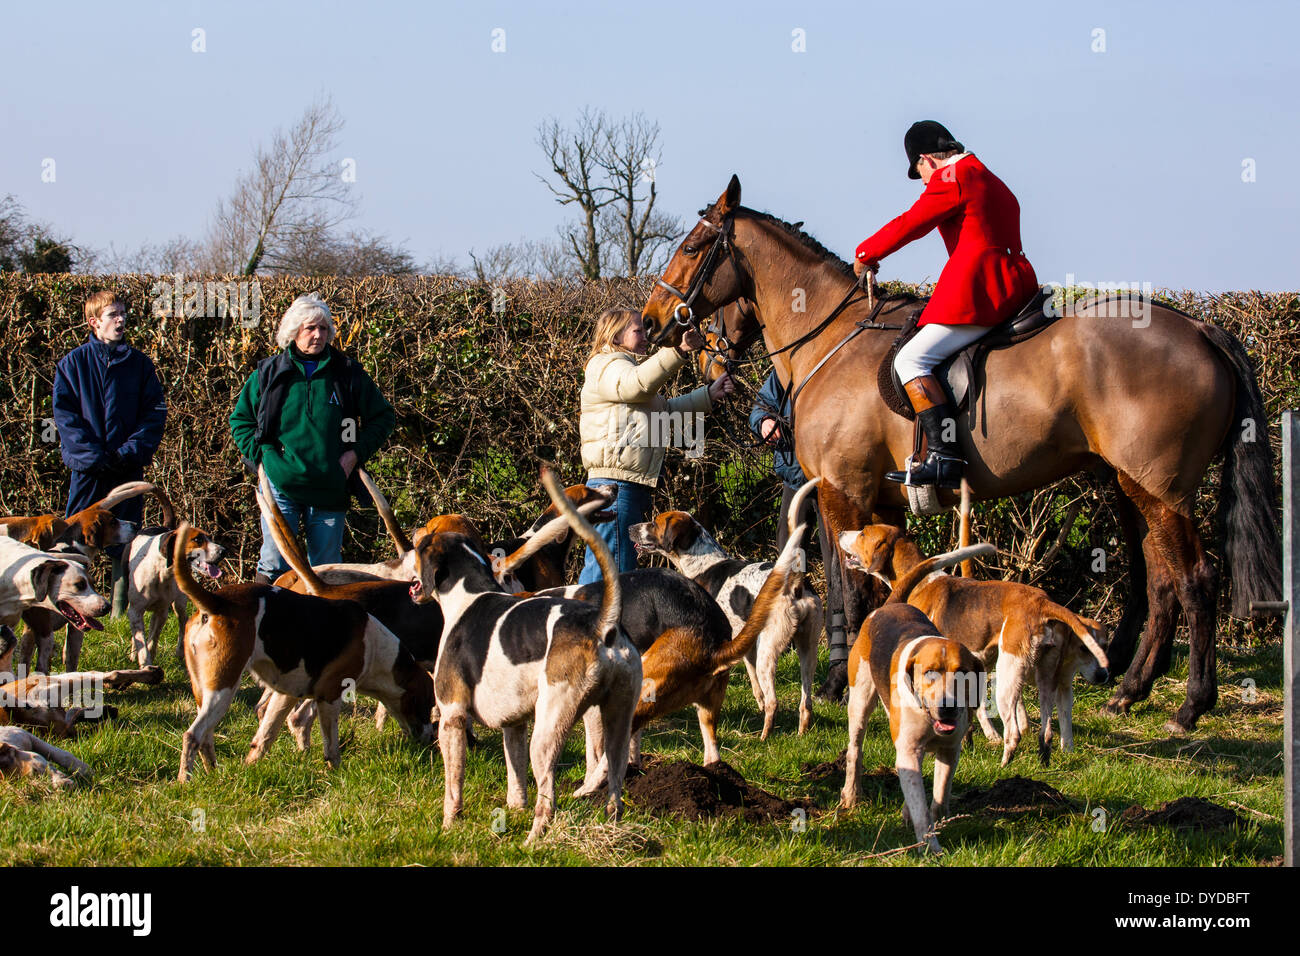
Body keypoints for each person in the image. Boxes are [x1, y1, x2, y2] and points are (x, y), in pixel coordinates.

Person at [854, 120, 1038, 489]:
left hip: (980, 293)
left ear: (926, 159)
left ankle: (944, 455)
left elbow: (912, 223)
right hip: (1017, 286)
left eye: (919, 171)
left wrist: (865, 253)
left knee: (911, 360)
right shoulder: (988, 175)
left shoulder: (951, 177)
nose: (922, 181)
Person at [230, 293, 395, 583]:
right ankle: (265, 626)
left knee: (328, 571)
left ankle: (321, 629)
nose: (318, 335)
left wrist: (354, 455)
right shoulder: (268, 373)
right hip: (279, 487)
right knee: (273, 563)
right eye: (310, 328)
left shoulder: (347, 373)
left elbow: (383, 417)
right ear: (294, 331)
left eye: (323, 328)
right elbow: (240, 421)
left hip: (330, 488)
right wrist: (264, 459)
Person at [577, 308, 734, 585]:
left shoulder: (624, 369)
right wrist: (680, 351)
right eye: (638, 330)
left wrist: (708, 395)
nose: (646, 336)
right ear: (615, 335)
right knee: (614, 579)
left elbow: (666, 411)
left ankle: (583, 624)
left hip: (626, 485)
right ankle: (590, 626)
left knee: (606, 575)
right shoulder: (607, 366)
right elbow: (637, 385)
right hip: (616, 486)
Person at [53, 290, 167, 619]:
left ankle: (119, 614)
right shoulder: (72, 364)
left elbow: (153, 415)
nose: (121, 320)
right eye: (113, 314)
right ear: (94, 321)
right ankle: (70, 608)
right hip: (88, 472)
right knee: (74, 538)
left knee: (127, 541)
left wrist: (126, 453)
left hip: (127, 469)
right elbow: (66, 418)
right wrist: (94, 457)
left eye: (123, 314)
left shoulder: (140, 365)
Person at [748, 369, 846, 700]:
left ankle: (839, 654)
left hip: (832, 484)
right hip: (795, 481)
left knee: (837, 567)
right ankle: (796, 634)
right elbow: (760, 406)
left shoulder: (835, 364)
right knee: (791, 562)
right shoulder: (785, 369)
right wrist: (763, 422)